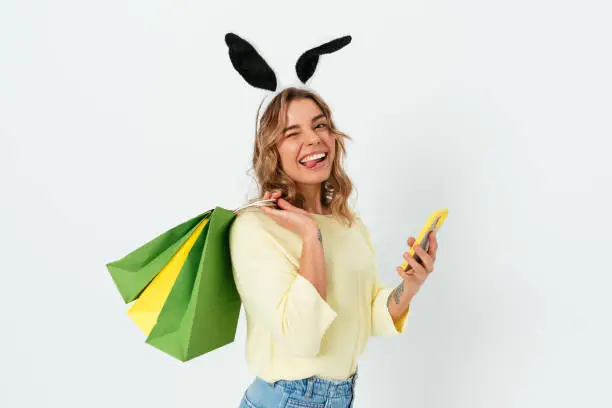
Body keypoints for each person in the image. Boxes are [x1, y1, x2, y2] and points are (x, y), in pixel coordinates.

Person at [229, 87, 439, 408]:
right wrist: (311, 237)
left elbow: (365, 316)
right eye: (292, 133)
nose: (313, 139)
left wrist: (410, 284)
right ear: (272, 151)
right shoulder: (255, 228)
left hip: (339, 397)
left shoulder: (348, 223)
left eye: (320, 125)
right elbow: (303, 340)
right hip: (286, 399)